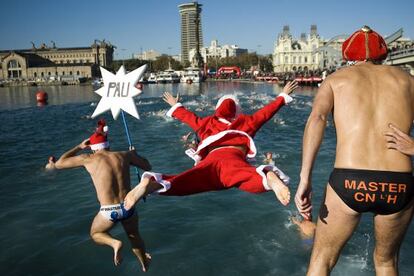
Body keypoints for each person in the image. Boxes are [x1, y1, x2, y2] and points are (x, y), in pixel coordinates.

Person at [294, 26, 414, 276]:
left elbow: (317, 119)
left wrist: (304, 179)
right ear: (383, 54)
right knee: (386, 262)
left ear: (349, 55)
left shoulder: (336, 79)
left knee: (322, 260)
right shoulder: (408, 81)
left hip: (349, 181)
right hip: (398, 185)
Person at [124, 81, 298, 210]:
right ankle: (268, 178)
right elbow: (265, 113)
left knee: (184, 183)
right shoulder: (246, 122)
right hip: (234, 160)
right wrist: (282, 96)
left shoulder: (207, 123)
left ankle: (151, 183)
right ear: (236, 112)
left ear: (217, 109)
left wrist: (175, 105)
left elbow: (188, 116)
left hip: (211, 161)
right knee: (252, 180)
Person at [54, 119, 152, 272]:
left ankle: (114, 243)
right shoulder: (124, 155)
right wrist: (135, 154)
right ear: (108, 145)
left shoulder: (88, 159)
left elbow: (59, 164)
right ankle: (144, 264)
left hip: (108, 211)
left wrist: (79, 147)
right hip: (129, 206)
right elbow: (147, 166)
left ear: (92, 148)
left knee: (96, 233)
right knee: (134, 237)